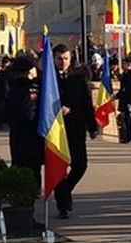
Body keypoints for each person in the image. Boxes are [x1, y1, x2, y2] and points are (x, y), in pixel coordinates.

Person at [52, 44, 99, 219]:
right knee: (59, 166)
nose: (62, 62)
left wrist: (92, 126)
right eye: (59, 58)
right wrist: (56, 109)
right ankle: (62, 204)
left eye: (65, 58)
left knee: (80, 165)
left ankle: (64, 189)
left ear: (71, 59)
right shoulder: (49, 79)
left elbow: (87, 104)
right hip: (56, 131)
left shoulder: (78, 80)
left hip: (76, 128)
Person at [5, 55, 44, 190]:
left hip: (34, 130)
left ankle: (34, 189)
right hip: (20, 130)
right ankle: (21, 190)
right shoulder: (16, 85)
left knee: (34, 164)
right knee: (21, 162)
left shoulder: (38, 83)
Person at [116, 58, 131, 143]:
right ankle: (126, 137)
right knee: (125, 119)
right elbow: (123, 89)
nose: (123, 65)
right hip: (124, 100)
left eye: (124, 63)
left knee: (130, 120)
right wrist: (117, 96)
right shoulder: (125, 74)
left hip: (130, 101)